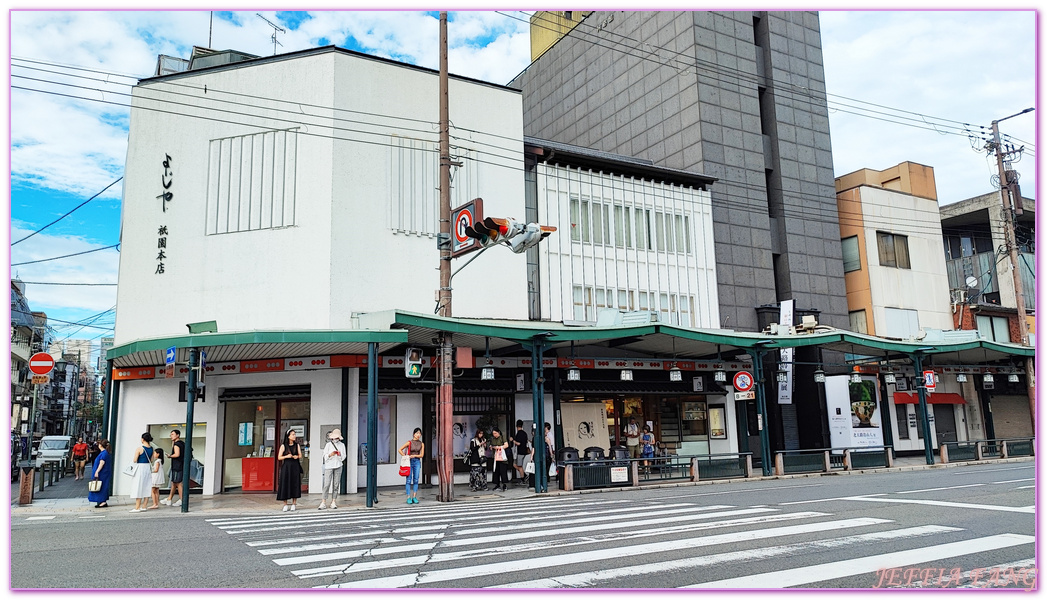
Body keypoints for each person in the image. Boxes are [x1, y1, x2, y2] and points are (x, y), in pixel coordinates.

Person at [319, 429, 346, 510]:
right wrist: (330, 454)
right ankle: (323, 501)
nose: (336, 439)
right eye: (335, 437)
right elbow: (324, 456)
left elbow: (344, 456)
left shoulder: (342, 445)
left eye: (337, 438)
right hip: (329, 466)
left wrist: (339, 455)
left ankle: (333, 501)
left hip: (338, 465)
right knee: (326, 484)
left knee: (336, 484)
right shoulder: (328, 445)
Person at [277, 429, 303, 511]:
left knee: (295, 484)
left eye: (294, 434)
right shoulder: (283, 446)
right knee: (285, 483)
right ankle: (285, 504)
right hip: (286, 467)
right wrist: (286, 456)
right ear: (288, 436)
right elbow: (279, 457)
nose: (294, 436)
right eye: (292, 434)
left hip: (295, 466)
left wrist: (297, 456)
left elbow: (300, 455)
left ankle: (294, 503)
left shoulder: (297, 445)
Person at [397, 428, 424, 504]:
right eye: (417, 433)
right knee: (408, 479)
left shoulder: (421, 444)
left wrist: (414, 456)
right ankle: (408, 497)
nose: (418, 435)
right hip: (409, 462)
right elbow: (400, 449)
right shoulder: (409, 442)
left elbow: (421, 455)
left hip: (417, 462)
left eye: (420, 433)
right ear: (414, 434)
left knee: (416, 479)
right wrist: (406, 456)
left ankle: (414, 496)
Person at [129, 432, 155, 513]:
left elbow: (135, 460)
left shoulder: (140, 448)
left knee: (138, 486)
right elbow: (151, 460)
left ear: (143, 439)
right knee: (146, 486)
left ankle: (137, 507)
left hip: (140, 467)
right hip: (147, 468)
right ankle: (144, 506)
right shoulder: (151, 448)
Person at [160, 430, 185, 507]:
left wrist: (170, 456)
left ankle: (182, 499)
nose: (171, 436)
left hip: (177, 466)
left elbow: (177, 454)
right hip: (180, 465)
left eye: (172, 434)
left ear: (177, 435)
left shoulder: (177, 444)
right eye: (170, 434)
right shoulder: (182, 443)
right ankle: (169, 499)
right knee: (174, 482)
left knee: (178, 483)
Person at [87, 439, 111, 508]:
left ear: (101, 445)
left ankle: (102, 501)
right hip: (104, 473)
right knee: (102, 486)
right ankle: (101, 501)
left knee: (101, 486)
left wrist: (97, 471)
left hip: (102, 473)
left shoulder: (104, 453)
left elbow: (102, 463)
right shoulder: (105, 453)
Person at [489, 427, 510, 491]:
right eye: (493, 433)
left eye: (495, 433)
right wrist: (491, 447)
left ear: (498, 432)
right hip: (496, 457)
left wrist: (499, 447)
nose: (494, 435)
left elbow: (506, 445)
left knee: (503, 471)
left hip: (502, 457)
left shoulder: (502, 437)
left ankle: (504, 484)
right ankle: (497, 484)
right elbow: (491, 446)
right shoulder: (493, 439)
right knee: (496, 471)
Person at [512, 420, 530, 485]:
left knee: (519, 466)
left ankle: (523, 478)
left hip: (520, 452)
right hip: (524, 451)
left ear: (516, 426)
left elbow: (518, 443)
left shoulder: (519, 434)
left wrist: (513, 440)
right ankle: (524, 475)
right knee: (516, 465)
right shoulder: (525, 433)